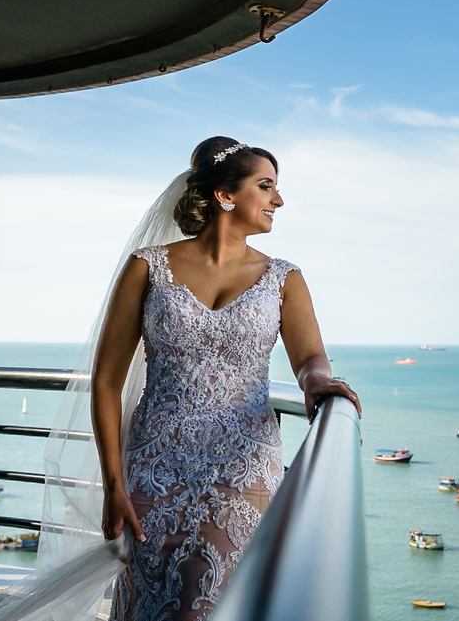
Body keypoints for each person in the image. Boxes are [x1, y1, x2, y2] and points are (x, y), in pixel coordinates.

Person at [87, 136, 361, 621]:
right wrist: (114, 485)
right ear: (225, 195)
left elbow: (310, 355)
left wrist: (316, 381)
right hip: (154, 468)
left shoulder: (284, 277)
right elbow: (108, 380)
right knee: (150, 600)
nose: (278, 200)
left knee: (215, 601)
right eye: (266, 186)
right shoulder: (148, 267)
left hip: (243, 469)